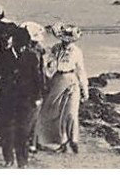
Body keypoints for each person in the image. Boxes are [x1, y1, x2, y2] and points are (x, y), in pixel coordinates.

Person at [0, 23, 46, 167]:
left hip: (26, 99)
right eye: (20, 45)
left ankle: (22, 162)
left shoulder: (31, 57)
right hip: (7, 98)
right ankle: (8, 159)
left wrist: (38, 97)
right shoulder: (4, 55)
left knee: (23, 132)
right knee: (7, 130)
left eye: (25, 45)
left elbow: (38, 79)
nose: (22, 48)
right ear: (15, 42)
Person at [37, 24, 87, 154]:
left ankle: (74, 141)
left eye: (68, 40)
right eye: (64, 39)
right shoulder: (55, 48)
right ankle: (62, 142)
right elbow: (49, 66)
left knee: (71, 113)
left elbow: (81, 71)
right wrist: (48, 68)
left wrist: (84, 89)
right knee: (54, 112)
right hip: (57, 80)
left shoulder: (77, 52)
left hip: (71, 81)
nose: (66, 41)